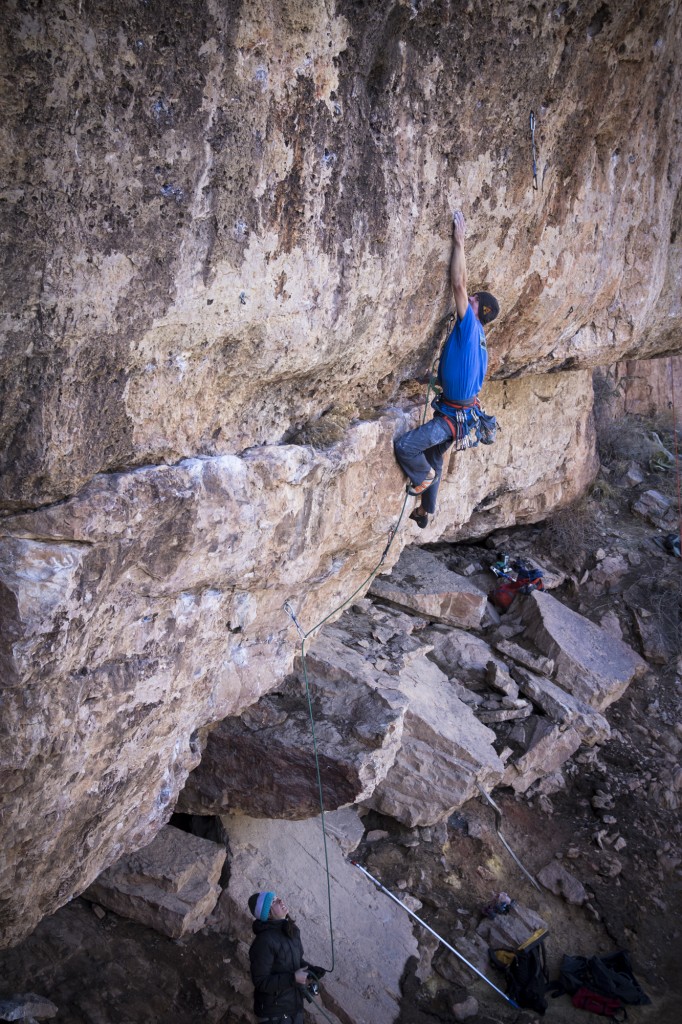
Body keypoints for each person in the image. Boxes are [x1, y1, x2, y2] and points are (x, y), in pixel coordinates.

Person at [394, 210, 499, 528]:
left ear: (480, 310)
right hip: (461, 412)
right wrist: (434, 379)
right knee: (437, 456)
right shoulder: (479, 342)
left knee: (408, 447)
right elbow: (464, 379)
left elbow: (458, 283)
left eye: (475, 299)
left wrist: (460, 242)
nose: (469, 298)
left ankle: (421, 477)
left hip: (453, 418)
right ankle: (426, 512)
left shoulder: (470, 327)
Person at [248, 890, 326, 1023]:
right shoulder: (264, 941)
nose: (280, 901)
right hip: (274, 1015)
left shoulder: (291, 932)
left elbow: (295, 962)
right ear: (267, 913)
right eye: (273, 902)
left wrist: (311, 970)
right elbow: (261, 981)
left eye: (277, 897)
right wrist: (293, 978)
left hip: (294, 1009)